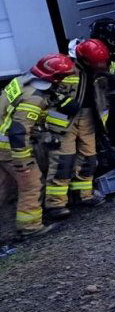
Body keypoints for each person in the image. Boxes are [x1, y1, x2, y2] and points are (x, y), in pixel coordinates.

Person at [44, 39, 115, 217]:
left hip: (87, 117)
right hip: (64, 121)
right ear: (85, 60)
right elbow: (49, 94)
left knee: (88, 158)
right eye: (98, 64)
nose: (102, 66)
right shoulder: (64, 68)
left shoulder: (100, 64)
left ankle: (84, 195)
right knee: (63, 161)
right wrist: (59, 113)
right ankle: (55, 205)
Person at [0, 54, 75, 238]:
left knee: (4, 186)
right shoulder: (35, 99)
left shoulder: (20, 81)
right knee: (32, 183)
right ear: (54, 77)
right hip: (9, 147)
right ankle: (30, 227)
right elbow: (18, 131)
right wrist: (23, 162)